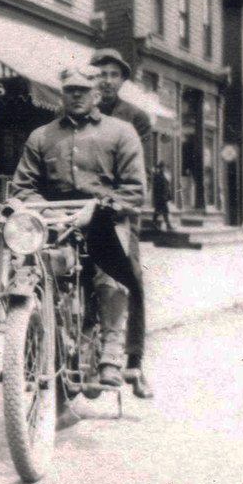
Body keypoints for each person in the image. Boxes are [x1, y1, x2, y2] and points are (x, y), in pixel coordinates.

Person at [9, 65, 146, 387]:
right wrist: (36, 208)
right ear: (61, 94)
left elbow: (135, 191)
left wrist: (99, 208)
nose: (76, 96)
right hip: (56, 223)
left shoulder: (121, 132)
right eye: (70, 90)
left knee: (110, 271)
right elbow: (23, 185)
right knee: (29, 264)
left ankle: (111, 354)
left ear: (97, 94)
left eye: (83, 91)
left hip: (105, 219)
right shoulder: (41, 136)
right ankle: (26, 349)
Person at [90, 48, 155, 399]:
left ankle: (134, 360)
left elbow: (136, 172)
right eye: (101, 73)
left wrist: (114, 200)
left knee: (130, 273)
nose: (107, 80)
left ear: (122, 80)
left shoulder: (135, 119)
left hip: (122, 210)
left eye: (114, 75)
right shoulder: (80, 109)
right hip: (84, 207)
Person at [152, 161, 173, 231]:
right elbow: (157, 188)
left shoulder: (164, 176)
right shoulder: (158, 176)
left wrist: (169, 196)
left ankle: (155, 223)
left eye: (164, 167)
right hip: (160, 197)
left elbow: (167, 187)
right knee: (163, 211)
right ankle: (167, 225)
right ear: (160, 168)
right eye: (162, 167)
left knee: (161, 211)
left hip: (163, 197)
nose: (163, 169)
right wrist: (158, 197)